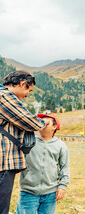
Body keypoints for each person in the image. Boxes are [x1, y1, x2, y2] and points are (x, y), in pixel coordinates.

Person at [0, 71, 49, 214]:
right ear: (22, 84)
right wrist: (43, 122)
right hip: (3, 160)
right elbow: (31, 122)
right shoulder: (5, 97)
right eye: (29, 89)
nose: (27, 95)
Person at [16, 113, 70, 214]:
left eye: (46, 123)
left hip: (50, 194)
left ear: (55, 127)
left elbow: (64, 167)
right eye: (40, 122)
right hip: (28, 192)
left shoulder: (60, 145)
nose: (41, 125)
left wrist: (62, 186)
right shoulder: (28, 141)